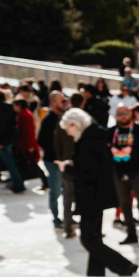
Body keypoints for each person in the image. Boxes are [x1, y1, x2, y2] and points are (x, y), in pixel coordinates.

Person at [59, 108, 138, 277]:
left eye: (68, 128)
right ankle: (95, 273)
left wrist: (67, 168)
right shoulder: (92, 136)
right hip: (97, 194)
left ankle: (124, 266)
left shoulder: (88, 141)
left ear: (76, 124)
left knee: (88, 239)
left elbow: (87, 173)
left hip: (92, 196)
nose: (68, 132)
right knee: (94, 238)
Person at [110, 104, 139, 246]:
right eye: (119, 113)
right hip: (119, 175)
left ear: (130, 114)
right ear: (116, 116)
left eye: (125, 112)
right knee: (125, 205)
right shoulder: (111, 131)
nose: (123, 115)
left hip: (138, 174)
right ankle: (131, 234)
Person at [38, 91, 67, 227]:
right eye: (62, 100)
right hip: (53, 161)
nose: (65, 103)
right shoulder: (48, 119)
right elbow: (41, 140)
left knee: (67, 190)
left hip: (65, 162)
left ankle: (68, 218)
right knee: (55, 190)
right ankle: (56, 219)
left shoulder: (63, 116)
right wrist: (56, 156)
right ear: (53, 102)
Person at [54, 93, 80, 237]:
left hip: (67, 162)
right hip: (77, 163)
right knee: (81, 194)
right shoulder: (82, 119)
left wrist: (60, 159)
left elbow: (56, 141)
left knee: (68, 196)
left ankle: (68, 227)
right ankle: (87, 227)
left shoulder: (62, 119)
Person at [13, 98, 44, 187]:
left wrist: (30, 145)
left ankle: (46, 182)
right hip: (25, 143)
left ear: (19, 106)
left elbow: (29, 131)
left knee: (32, 163)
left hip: (26, 144)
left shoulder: (24, 115)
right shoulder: (25, 113)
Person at [0, 90, 25, 193]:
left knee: (10, 164)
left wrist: (0, 141)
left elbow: (1, 126)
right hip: (10, 139)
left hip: (2, 141)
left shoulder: (0, 108)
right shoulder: (10, 106)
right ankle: (15, 183)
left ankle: (19, 184)